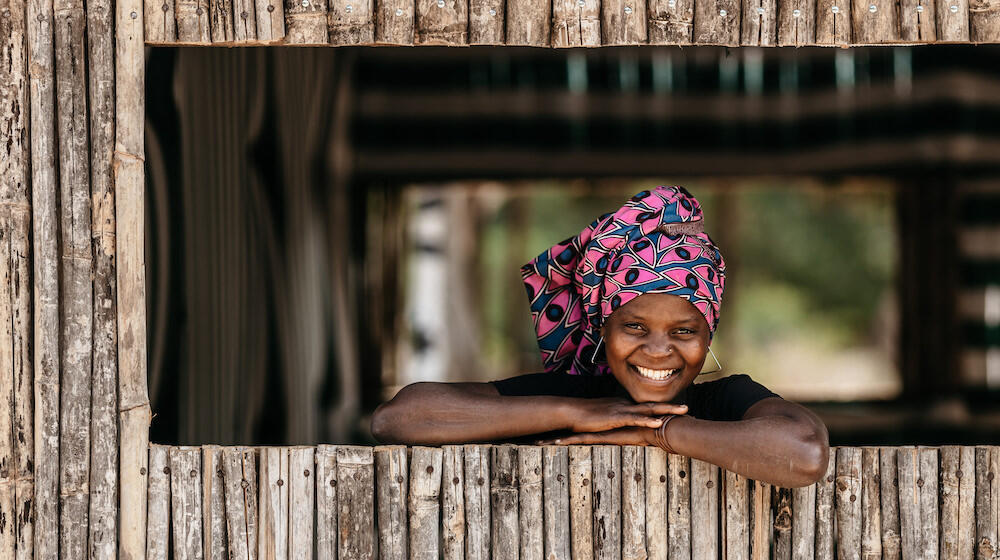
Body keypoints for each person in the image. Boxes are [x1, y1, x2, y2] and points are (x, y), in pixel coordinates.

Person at [372, 186, 829, 488]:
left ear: (710, 333)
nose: (657, 349)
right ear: (600, 327)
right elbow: (398, 419)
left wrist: (657, 432)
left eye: (684, 331)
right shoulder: (567, 399)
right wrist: (578, 413)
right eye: (633, 326)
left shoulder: (726, 402)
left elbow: (804, 454)